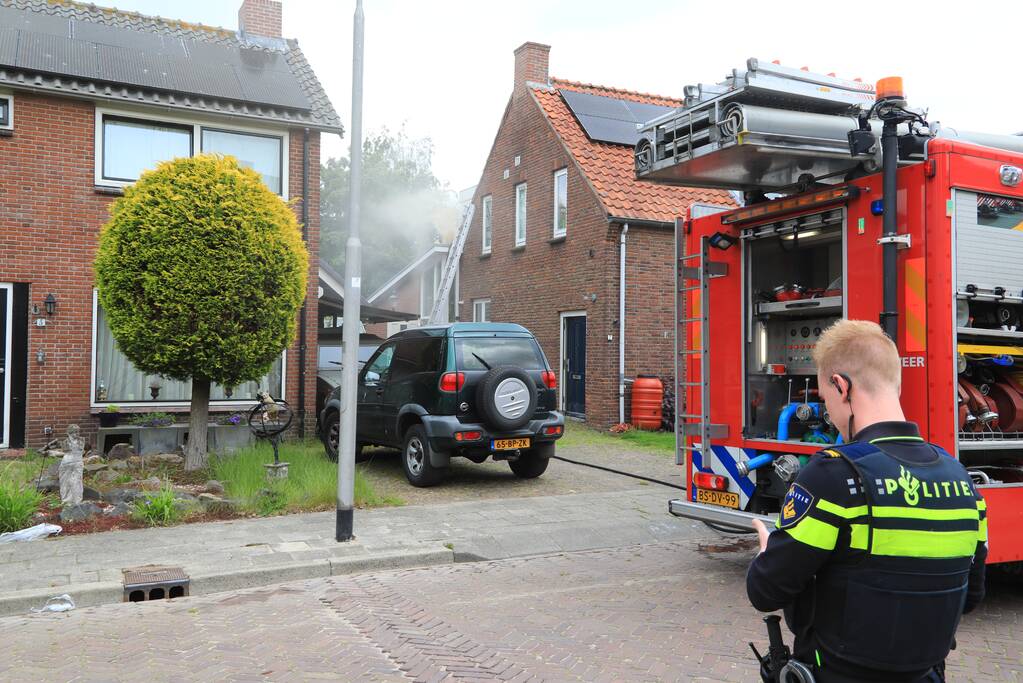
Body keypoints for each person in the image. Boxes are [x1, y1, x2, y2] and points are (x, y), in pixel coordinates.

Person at [747, 320, 987, 682]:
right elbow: (969, 597)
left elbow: (766, 591)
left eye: (826, 400)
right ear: (896, 385)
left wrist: (767, 554)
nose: (830, 416)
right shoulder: (964, 482)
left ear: (841, 386)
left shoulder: (832, 475)